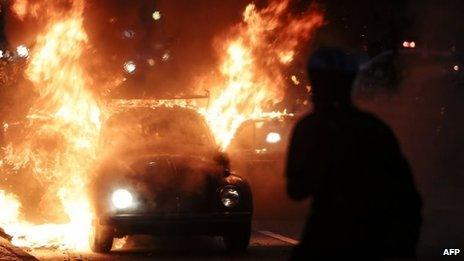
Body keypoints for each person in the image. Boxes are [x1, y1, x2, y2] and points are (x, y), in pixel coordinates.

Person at [286, 47, 422, 260]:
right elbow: (408, 197)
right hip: (374, 239)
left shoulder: (310, 129)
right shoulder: (375, 128)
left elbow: (296, 190)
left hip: (327, 239)